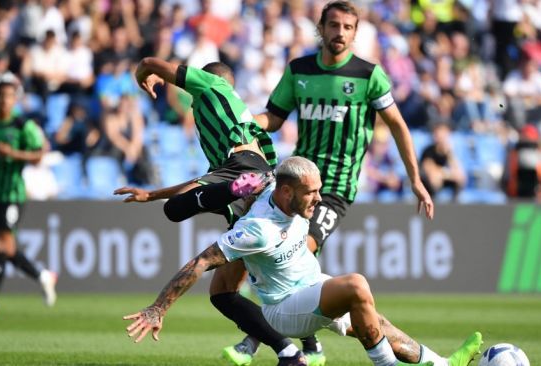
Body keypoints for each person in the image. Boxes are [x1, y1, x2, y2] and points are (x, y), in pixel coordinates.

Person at [225, 2, 435, 364]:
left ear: (356, 32)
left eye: (348, 27)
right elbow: (273, 118)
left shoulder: (369, 75)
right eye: (334, 25)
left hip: (334, 188)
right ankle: (308, 344)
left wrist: (415, 178)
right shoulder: (299, 71)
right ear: (321, 28)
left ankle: (257, 340)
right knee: (257, 247)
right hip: (294, 183)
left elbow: (398, 126)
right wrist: (245, 124)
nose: (340, 33)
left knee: (301, 247)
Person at [123, 156, 482, 366]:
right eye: (312, 193)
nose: (319, 198)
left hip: (310, 286)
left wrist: (155, 195)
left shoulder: (272, 185)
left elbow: (194, 183)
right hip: (285, 309)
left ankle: (442, 364)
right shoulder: (257, 229)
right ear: (286, 192)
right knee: (356, 285)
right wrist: (159, 308)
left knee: (374, 322)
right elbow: (199, 263)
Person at [113, 58, 300, 364]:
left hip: (244, 175)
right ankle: (288, 352)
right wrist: (151, 194)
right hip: (250, 185)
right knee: (223, 293)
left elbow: (150, 62)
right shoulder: (225, 123)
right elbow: (205, 182)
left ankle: (237, 189)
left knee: (174, 211)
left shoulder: (213, 85)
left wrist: (142, 74)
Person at [0, 78, 57, 316]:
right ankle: (42, 275)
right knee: (6, 246)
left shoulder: (22, 124)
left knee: (0, 243)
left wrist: (11, 152)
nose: (5, 101)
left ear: (15, 100)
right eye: (1, 96)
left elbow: (38, 156)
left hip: (13, 192)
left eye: (9, 97)